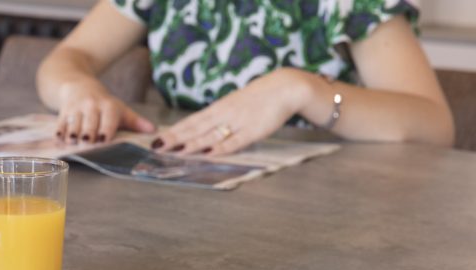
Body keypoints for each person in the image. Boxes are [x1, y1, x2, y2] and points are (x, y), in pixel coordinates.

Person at [36, 0, 454, 155]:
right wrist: (79, 89)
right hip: (174, 205)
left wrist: (299, 88)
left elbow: (434, 125)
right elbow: (67, 58)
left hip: (323, 222)